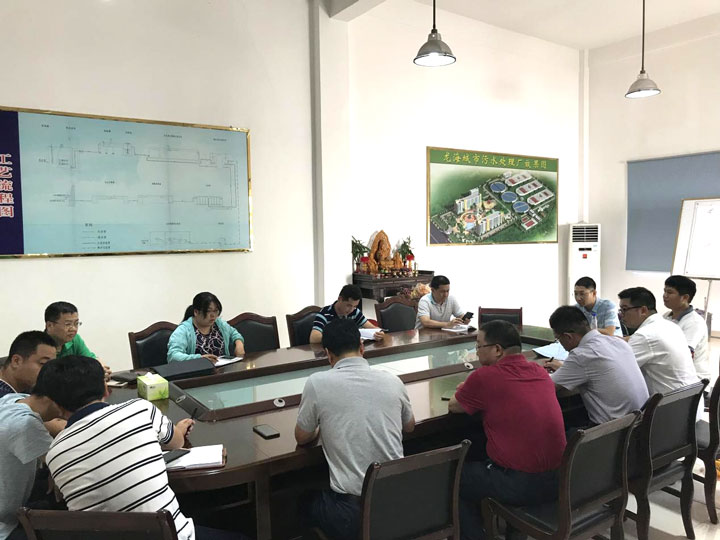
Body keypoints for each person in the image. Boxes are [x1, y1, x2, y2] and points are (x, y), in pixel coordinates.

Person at [45, 355, 240, 540]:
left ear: (56, 404)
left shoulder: (54, 453)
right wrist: (179, 430)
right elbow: (176, 443)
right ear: (105, 389)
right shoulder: (139, 409)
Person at [295, 319, 415, 539]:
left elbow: (302, 437)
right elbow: (409, 426)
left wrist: (321, 426)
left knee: (303, 501)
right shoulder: (392, 380)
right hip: (397, 502)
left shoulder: (317, 383)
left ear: (328, 354)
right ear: (361, 346)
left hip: (352, 513)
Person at [448, 320, 566, 540]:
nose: (477, 352)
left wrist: (466, 387)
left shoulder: (485, 377)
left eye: (479, 346)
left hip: (520, 483)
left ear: (497, 350)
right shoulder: (539, 371)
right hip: (559, 479)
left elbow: (454, 406)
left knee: (453, 478)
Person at [544, 306, 649, 426]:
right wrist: (564, 368)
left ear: (568, 337)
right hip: (640, 423)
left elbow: (546, 386)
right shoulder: (618, 342)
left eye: (558, 338)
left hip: (611, 431)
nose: (560, 343)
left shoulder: (582, 355)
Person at [0, 362, 67, 540]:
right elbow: (65, 468)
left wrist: (54, 468)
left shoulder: (13, 400)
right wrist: (56, 469)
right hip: (5, 527)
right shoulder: (25, 424)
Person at [618, 287, 699, 395]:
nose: (621, 315)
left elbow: (617, 369)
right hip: (689, 398)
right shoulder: (670, 326)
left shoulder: (644, 335)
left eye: (624, 309)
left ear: (643, 310)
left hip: (670, 402)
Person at [167, 292, 245, 363]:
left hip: (223, 370)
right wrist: (199, 359)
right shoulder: (183, 330)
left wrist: (239, 344)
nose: (213, 315)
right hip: (198, 372)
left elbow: (234, 333)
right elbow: (173, 356)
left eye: (215, 311)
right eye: (208, 311)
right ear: (196, 312)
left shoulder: (219, 324)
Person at [662, 275, 711, 383]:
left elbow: (685, 354)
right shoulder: (666, 316)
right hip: (674, 372)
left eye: (670, 292)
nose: (665, 295)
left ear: (685, 297)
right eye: (664, 291)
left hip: (693, 379)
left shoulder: (694, 322)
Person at [44, 301, 111, 379]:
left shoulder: (75, 339)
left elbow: (91, 361)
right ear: (50, 325)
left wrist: (101, 369)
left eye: (76, 324)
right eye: (68, 324)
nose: (73, 329)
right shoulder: (40, 346)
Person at [309, 285, 383, 344]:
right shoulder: (325, 314)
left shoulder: (355, 312)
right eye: (348, 305)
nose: (351, 310)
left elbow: (373, 328)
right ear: (340, 299)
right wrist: (342, 338)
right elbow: (314, 338)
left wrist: (379, 333)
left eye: (355, 306)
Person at [0, 331, 56, 398]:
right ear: (16, 361)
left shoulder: (25, 391)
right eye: (43, 363)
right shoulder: (5, 400)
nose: (50, 371)